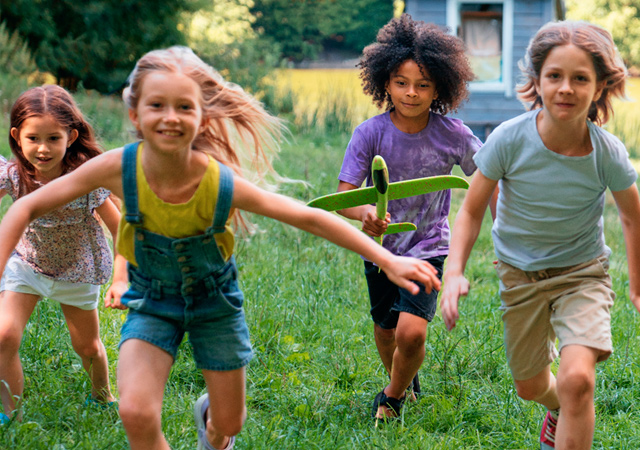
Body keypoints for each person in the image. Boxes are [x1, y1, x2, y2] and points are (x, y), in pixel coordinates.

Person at [0, 47, 441, 449]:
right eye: (156, 105)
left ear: (203, 118)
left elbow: (305, 216)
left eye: (184, 107)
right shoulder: (117, 167)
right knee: (135, 412)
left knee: (229, 422)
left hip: (214, 305)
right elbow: (25, 208)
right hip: (153, 301)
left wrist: (387, 258)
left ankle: (212, 430)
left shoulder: (216, 180)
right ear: (135, 113)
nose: (170, 117)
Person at [439, 21, 640, 450]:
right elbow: (470, 209)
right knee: (530, 386)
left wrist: (638, 290)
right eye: (555, 75)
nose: (566, 88)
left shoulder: (606, 152)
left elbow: (633, 218)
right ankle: (558, 408)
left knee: (577, 380)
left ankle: (570, 406)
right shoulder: (509, 139)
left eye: (581, 78)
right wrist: (455, 270)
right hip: (520, 275)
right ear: (537, 81)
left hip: (582, 274)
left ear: (599, 87)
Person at [333, 14, 482, 421]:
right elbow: (344, 198)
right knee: (386, 331)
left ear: (441, 87)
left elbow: (488, 178)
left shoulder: (454, 135)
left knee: (411, 332)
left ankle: (392, 398)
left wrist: (506, 225)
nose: (411, 93)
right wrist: (364, 213)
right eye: (401, 82)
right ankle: (403, 381)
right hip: (380, 249)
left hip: (429, 247)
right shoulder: (369, 133)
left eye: (423, 84)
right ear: (385, 82)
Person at [0, 85, 124, 424]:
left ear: (71, 137)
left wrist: (121, 277)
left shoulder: (85, 179)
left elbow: (120, 228)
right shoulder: (14, 175)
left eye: (53, 138)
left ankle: (102, 396)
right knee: (4, 335)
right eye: (33, 138)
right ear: (17, 137)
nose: (43, 148)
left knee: (87, 347)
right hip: (27, 264)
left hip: (77, 270)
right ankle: (10, 414)